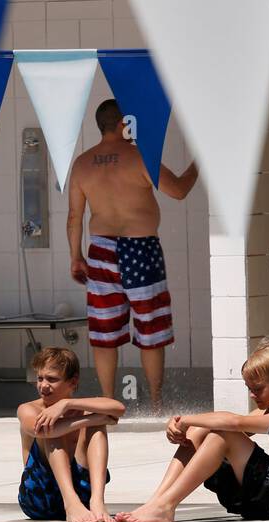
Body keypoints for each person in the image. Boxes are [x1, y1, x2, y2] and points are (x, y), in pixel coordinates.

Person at [68, 98, 198, 413]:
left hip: (99, 250)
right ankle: (155, 403)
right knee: (150, 328)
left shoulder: (83, 163)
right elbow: (179, 190)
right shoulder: (140, 157)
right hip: (140, 248)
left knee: (104, 331)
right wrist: (200, 162)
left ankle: (108, 401)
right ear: (123, 124)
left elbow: (75, 216)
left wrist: (76, 256)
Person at [116, 341, 269, 522]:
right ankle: (157, 502)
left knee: (224, 434)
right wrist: (183, 425)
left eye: (258, 389)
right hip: (264, 497)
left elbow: (234, 424)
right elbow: (223, 423)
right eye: (249, 389)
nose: (253, 395)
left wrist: (185, 419)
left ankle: (165, 506)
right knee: (202, 430)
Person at [16, 346, 124, 522]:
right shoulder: (28, 409)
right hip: (40, 498)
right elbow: (42, 430)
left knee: (96, 430)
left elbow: (118, 408)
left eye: (52, 379)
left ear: (73, 382)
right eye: (40, 378)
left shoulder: (77, 406)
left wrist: (67, 404)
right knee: (51, 428)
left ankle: (97, 501)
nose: (43, 386)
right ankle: (70, 503)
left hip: (84, 498)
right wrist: (91, 419)